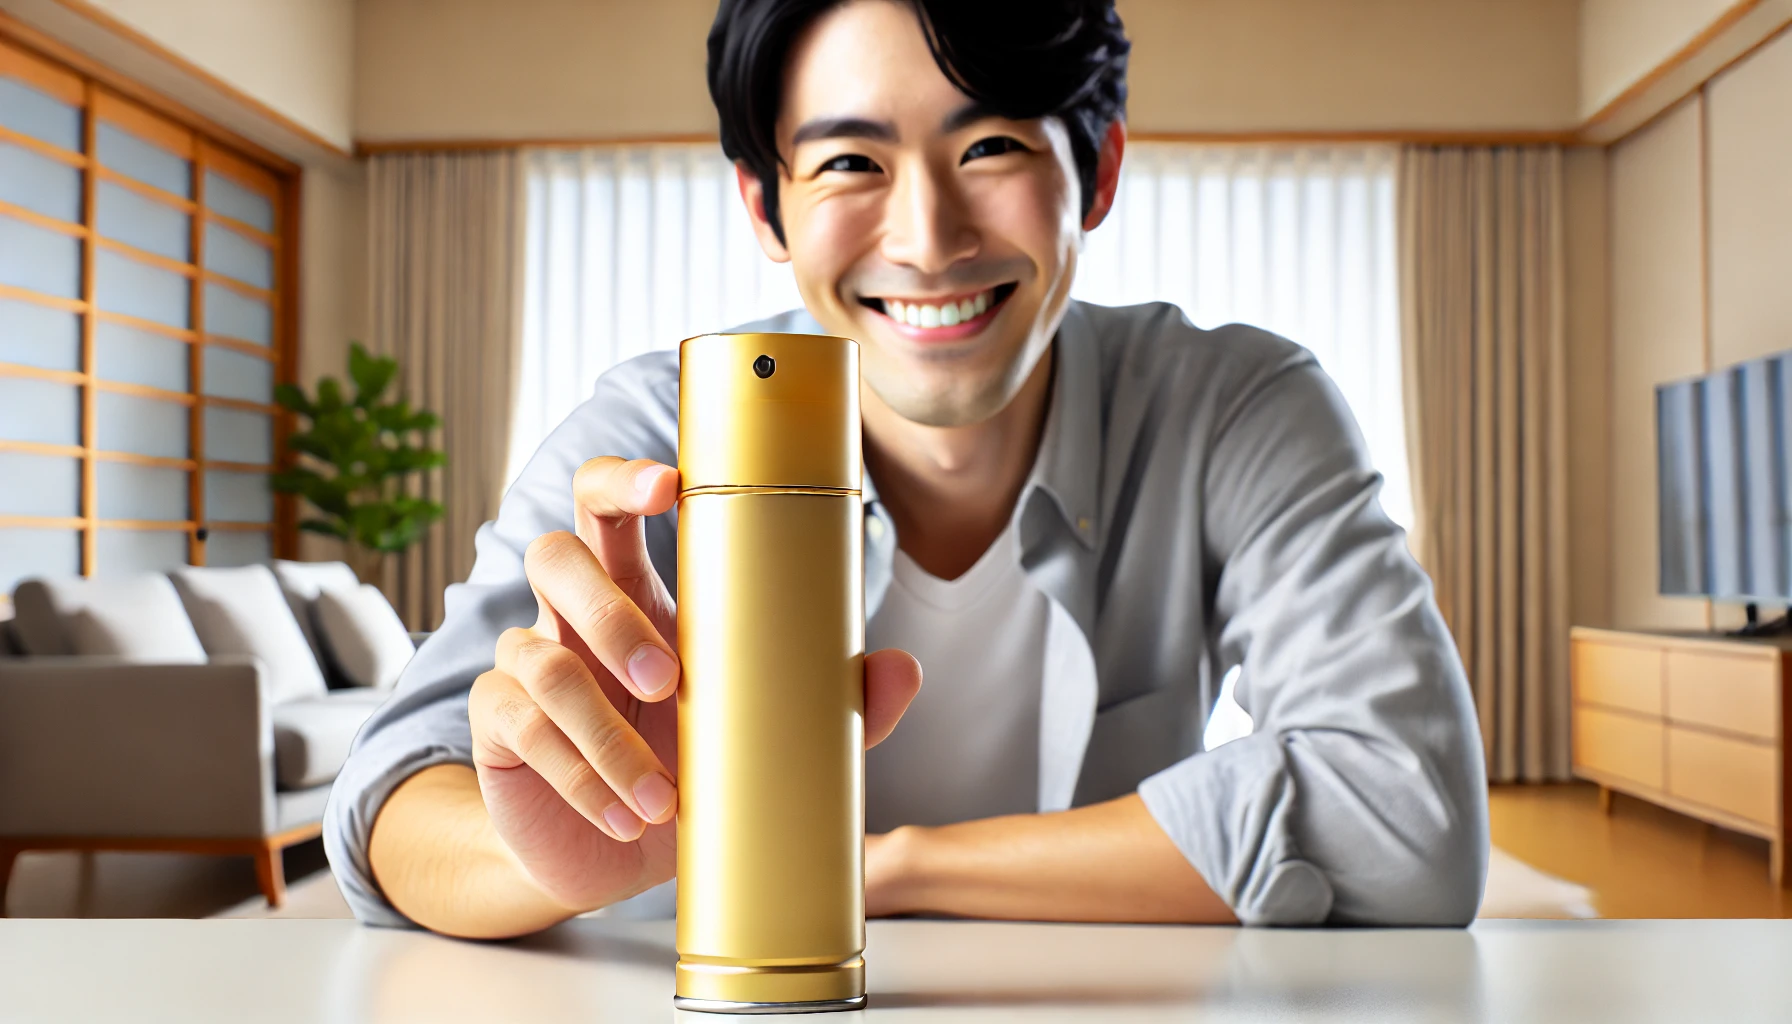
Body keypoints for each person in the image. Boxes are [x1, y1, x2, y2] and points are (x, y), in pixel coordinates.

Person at [325, 0, 1488, 939]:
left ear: (1100, 171)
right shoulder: (655, 433)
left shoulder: (1233, 405)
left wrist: (883, 868)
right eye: (847, 163)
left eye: (990, 145)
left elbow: (1410, 812)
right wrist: (561, 858)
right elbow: (394, 806)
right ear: (764, 206)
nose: (928, 238)